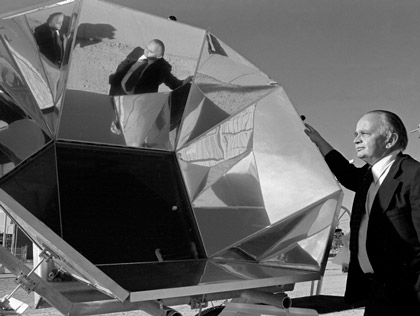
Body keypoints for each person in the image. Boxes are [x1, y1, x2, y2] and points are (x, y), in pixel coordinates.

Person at [305, 110, 420, 315]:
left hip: (409, 297)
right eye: (355, 134)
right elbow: (346, 174)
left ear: (390, 139)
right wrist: (318, 141)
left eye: (364, 133)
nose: (356, 140)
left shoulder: (414, 176)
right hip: (376, 292)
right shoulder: (369, 177)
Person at [108, 39, 191, 96]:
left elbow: (174, 83)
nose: (146, 52)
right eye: (146, 48)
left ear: (159, 56)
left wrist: (185, 82)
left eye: (150, 51)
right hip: (117, 92)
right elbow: (122, 67)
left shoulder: (161, 69)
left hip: (135, 102)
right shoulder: (136, 53)